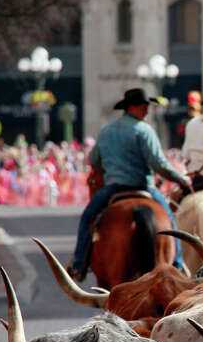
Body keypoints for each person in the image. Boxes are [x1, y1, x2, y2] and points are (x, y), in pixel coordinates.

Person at [68, 87, 192, 281]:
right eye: (144, 106)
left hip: (113, 188)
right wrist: (181, 179)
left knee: (87, 218)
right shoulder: (144, 130)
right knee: (170, 220)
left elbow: (94, 159)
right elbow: (158, 163)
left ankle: (79, 264)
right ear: (132, 107)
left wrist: (113, 165)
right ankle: (177, 266)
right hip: (144, 187)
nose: (147, 110)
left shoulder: (106, 131)